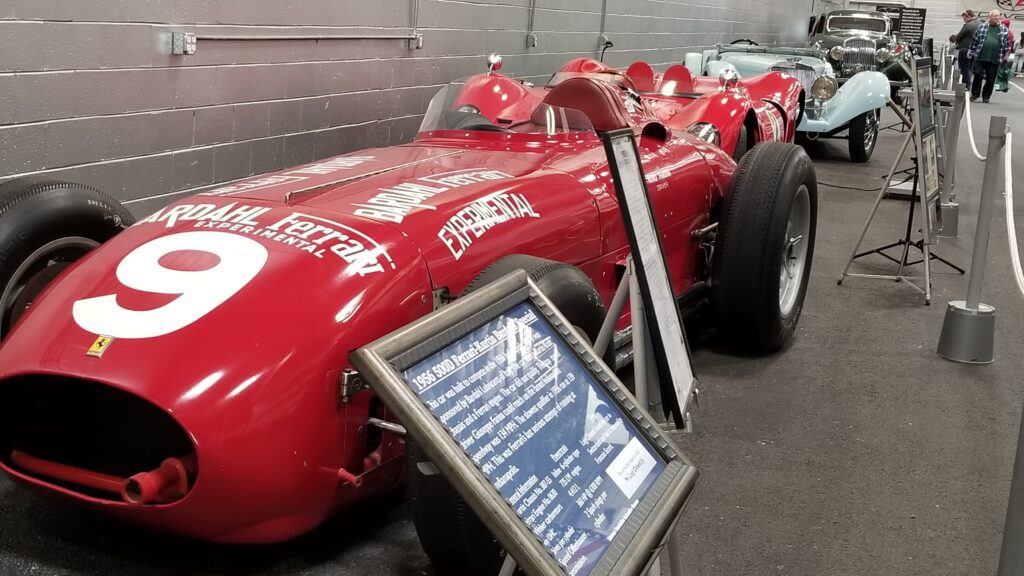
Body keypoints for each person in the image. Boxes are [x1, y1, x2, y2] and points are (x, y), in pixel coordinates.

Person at [967, 10, 1012, 102]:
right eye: (995, 16)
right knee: (977, 74)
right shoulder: (982, 27)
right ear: (990, 17)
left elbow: (1007, 45)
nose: (997, 18)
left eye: (998, 16)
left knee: (990, 78)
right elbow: (974, 40)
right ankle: (975, 94)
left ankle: (986, 96)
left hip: (995, 58)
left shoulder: (1004, 29)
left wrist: (1006, 55)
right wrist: (971, 51)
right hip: (980, 56)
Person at [951, 10, 982, 86]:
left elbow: (959, 37)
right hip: (976, 51)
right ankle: (969, 85)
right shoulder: (981, 24)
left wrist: (955, 38)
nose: (964, 20)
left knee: (964, 69)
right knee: (971, 69)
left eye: (964, 18)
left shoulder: (968, 25)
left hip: (965, 49)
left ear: (968, 16)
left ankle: (965, 86)